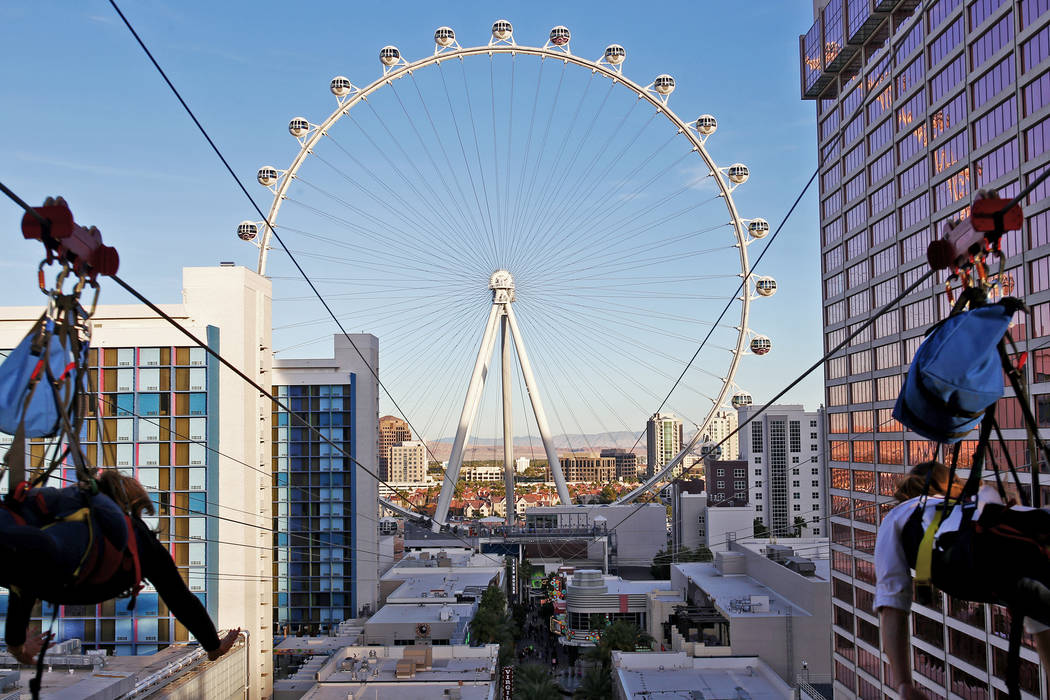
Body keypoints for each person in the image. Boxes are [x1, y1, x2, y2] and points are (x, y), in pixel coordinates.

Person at [0, 470, 238, 664]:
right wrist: (213, 645)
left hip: (40, 562)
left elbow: (23, 581)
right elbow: (181, 599)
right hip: (61, 575)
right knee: (28, 556)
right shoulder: (140, 541)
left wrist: (17, 643)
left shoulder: (73, 509)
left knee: (25, 551)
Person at [875, 461, 1050, 698]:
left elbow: (892, 601)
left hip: (976, 563)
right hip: (1036, 526)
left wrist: (903, 682)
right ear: (953, 483)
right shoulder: (977, 505)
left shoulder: (900, 514)